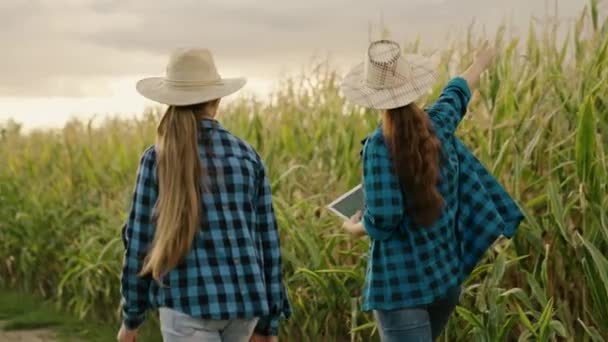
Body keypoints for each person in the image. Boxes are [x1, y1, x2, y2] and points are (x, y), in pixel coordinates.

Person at [340, 40, 523, 342]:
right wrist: (482, 61)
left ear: (374, 98)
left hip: (402, 290)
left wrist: (354, 227)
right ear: (412, 87)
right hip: (444, 282)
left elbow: (385, 218)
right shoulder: (438, 123)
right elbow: (457, 91)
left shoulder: (378, 146)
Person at [117, 48, 290, 342]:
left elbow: (139, 243)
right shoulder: (247, 156)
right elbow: (267, 243)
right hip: (243, 306)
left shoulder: (157, 158)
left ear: (170, 100)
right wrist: (268, 324)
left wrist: (131, 319)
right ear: (217, 98)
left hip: (186, 303)